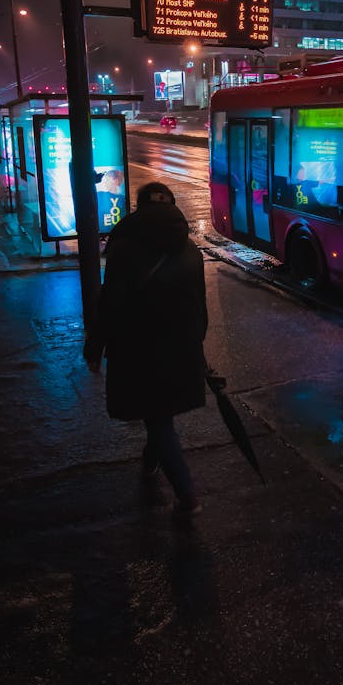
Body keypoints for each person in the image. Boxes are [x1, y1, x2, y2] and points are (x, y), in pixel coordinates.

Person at [83, 181, 208, 518]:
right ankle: (151, 461)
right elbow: (201, 309)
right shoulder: (191, 250)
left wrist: (95, 347)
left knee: (157, 417)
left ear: (138, 208)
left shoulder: (125, 248)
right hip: (182, 347)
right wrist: (197, 344)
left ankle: (188, 497)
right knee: (160, 414)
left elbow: (110, 304)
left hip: (141, 349)